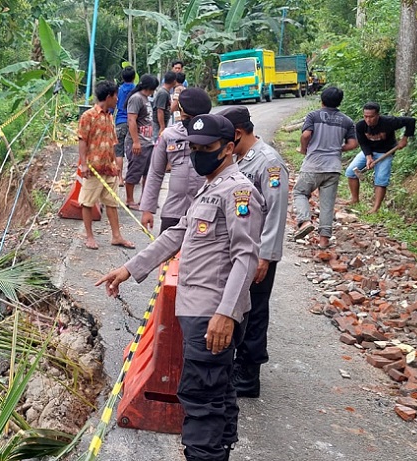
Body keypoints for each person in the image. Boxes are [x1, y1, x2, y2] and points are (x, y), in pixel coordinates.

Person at [97, 114, 264, 461]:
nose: (198, 154)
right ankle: (219, 450)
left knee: (200, 396)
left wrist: (225, 313)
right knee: (217, 391)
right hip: (198, 310)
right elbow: (177, 235)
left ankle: (206, 454)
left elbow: (246, 258)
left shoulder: (238, 191)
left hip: (213, 313)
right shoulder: (210, 186)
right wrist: (130, 269)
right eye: (194, 148)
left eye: (207, 148)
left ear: (229, 148)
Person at [218, 106, 289, 399]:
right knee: (240, 308)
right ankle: (239, 363)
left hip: (259, 255)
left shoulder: (269, 163)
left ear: (236, 134)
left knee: (255, 311)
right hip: (242, 251)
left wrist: (265, 257)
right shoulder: (241, 160)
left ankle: (249, 375)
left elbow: (276, 213)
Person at [293, 86, 358, 249]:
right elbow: (353, 144)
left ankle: (305, 221)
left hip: (313, 165)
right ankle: (323, 241)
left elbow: (306, 135)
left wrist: (303, 149)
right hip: (333, 167)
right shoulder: (347, 121)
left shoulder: (313, 116)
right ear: (339, 102)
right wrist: (337, 148)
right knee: (327, 204)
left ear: (321, 100)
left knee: (300, 192)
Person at [141, 87, 212, 234]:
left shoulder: (215, 137)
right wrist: (148, 209)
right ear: (180, 111)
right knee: (167, 255)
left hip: (205, 212)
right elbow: (155, 172)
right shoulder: (169, 135)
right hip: (174, 211)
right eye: (187, 118)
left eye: (195, 119)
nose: (190, 123)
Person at [77, 80, 136, 250]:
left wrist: (116, 166)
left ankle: (117, 236)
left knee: (112, 203)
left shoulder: (110, 116)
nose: (118, 98)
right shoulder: (88, 116)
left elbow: (112, 143)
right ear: (109, 96)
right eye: (116, 95)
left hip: (109, 168)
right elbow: (82, 140)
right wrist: (84, 165)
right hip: (93, 169)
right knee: (87, 203)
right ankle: (89, 237)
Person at [344, 101, 415, 214]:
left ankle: (375, 208)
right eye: (365, 116)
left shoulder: (389, 122)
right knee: (350, 172)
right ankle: (354, 199)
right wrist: (368, 157)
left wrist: (404, 138)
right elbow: (363, 143)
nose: (368, 120)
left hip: (385, 152)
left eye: (371, 117)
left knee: (381, 179)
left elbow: (411, 121)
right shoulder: (360, 125)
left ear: (378, 115)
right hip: (368, 151)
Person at [124, 73, 159, 209]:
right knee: (134, 171)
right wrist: (136, 141)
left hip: (148, 142)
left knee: (147, 173)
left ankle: (145, 200)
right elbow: (131, 120)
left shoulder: (145, 99)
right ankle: (129, 200)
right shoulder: (136, 98)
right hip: (139, 142)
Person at [114, 66, 137, 186]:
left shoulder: (119, 90)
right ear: (134, 77)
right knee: (133, 150)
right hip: (133, 123)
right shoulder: (136, 89)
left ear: (122, 77)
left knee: (119, 152)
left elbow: (113, 106)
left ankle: (119, 179)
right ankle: (131, 176)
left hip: (120, 122)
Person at [152, 71, 175, 139]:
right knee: (157, 141)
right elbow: (160, 110)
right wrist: (162, 126)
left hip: (162, 122)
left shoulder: (165, 92)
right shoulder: (163, 93)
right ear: (174, 81)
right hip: (158, 124)